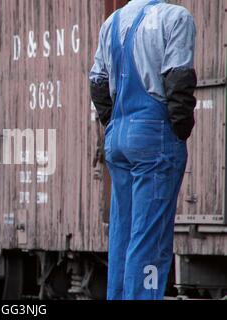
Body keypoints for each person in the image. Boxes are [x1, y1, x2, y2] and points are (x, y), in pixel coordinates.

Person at [89, 0, 197, 300]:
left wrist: (116, 124)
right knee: (150, 237)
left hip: (119, 137)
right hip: (154, 137)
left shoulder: (112, 22)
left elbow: (97, 82)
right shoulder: (176, 17)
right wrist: (179, 131)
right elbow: (179, 79)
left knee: (123, 234)